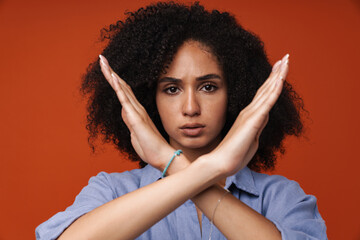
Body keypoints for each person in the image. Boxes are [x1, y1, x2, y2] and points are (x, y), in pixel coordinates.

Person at [36, 2, 327, 239]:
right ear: (149, 100)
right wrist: (210, 169)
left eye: (208, 87)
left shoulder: (280, 197)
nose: (190, 108)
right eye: (171, 89)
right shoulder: (112, 191)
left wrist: (170, 162)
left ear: (236, 94)